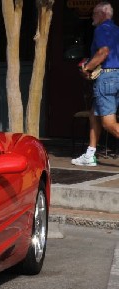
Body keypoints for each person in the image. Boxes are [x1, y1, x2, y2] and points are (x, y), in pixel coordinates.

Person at [73, 2, 119, 166]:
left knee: (109, 123)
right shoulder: (116, 29)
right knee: (95, 114)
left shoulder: (102, 29)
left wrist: (87, 67)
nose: (92, 17)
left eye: (94, 13)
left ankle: (90, 155)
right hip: (115, 77)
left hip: (107, 77)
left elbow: (103, 52)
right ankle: (90, 154)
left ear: (102, 14)